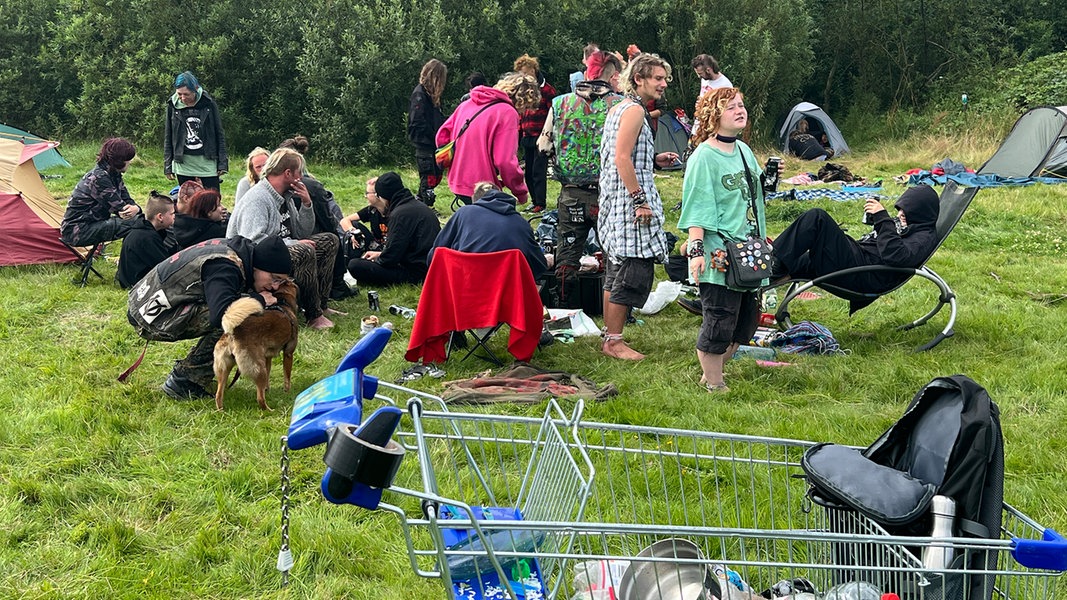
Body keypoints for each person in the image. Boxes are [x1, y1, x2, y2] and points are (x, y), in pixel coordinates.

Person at [678, 87, 770, 392]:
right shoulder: (704, 157)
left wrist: (771, 177)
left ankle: (711, 371)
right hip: (718, 252)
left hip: (747, 251)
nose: (740, 111)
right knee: (719, 319)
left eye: (741, 105)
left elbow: (754, 195)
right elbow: (698, 206)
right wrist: (697, 250)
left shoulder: (743, 150)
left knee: (745, 323)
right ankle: (715, 385)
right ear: (713, 115)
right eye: (731, 107)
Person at [128, 235, 292, 400]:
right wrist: (259, 300)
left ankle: (190, 375)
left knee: (239, 307)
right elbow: (222, 314)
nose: (275, 286)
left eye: (281, 281)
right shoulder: (226, 266)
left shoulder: (238, 251)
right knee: (236, 317)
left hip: (142, 301)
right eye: (274, 278)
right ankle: (186, 380)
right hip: (150, 317)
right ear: (259, 266)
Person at [598, 53, 680, 360]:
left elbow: (622, 155)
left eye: (664, 79)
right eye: (657, 78)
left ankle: (610, 337)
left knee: (616, 270)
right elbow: (621, 158)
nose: (663, 84)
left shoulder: (619, 108)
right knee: (633, 270)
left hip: (615, 198)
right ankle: (615, 343)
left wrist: (652, 160)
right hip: (628, 203)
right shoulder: (633, 111)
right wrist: (640, 200)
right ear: (638, 79)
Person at [227, 147, 337, 329]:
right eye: (299, 172)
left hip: (281, 250)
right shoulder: (258, 198)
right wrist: (293, 244)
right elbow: (252, 241)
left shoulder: (285, 196)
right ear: (288, 173)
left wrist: (307, 204)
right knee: (304, 250)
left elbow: (302, 232)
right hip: (255, 260)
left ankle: (321, 305)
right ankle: (313, 315)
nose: (301, 177)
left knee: (329, 241)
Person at [538, 51, 623, 284]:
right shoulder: (621, 105)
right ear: (614, 75)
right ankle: (617, 311)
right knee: (613, 254)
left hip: (571, 192)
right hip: (608, 194)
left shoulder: (559, 103)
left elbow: (543, 146)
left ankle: (565, 305)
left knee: (567, 251)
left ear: (586, 72)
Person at [770, 185, 941, 300]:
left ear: (921, 212)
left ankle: (770, 264)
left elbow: (897, 256)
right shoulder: (914, 226)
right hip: (859, 262)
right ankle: (763, 275)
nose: (901, 214)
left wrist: (883, 218)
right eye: (901, 209)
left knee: (817, 218)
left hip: (862, 274)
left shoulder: (923, 238)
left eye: (906, 211)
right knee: (794, 261)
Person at [436, 72, 540, 207]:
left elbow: (441, 135)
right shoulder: (507, 112)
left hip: (457, 180)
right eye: (526, 107)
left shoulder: (467, 103)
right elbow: (504, 160)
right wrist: (520, 191)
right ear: (524, 100)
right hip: (482, 187)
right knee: (494, 225)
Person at [429, 182, 548, 280]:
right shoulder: (521, 223)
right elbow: (538, 266)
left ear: (475, 201)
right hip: (505, 296)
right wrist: (548, 260)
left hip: (462, 291)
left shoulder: (464, 212)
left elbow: (435, 254)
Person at [346, 173, 440, 286]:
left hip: (416, 272)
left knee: (355, 265)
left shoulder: (399, 215)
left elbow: (390, 258)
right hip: (430, 264)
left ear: (383, 196)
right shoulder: (417, 206)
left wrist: (377, 260)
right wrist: (379, 254)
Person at [60, 138, 142, 247]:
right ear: (119, 160)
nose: (130, 162)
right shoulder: (99, 178)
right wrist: (135, 209)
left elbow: (128, 201)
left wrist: (136, 208)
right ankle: (132, 258)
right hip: (78, 231)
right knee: (140, 222)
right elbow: (122, 210)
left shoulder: (113, 175)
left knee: (139, 220)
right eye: (128, 159)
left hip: (91, 224)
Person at [164, 71, 228, 191]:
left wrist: (222, 163)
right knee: (188, 202)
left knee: (212, 201)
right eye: (179, 94)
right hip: (183, 163)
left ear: (196, 89)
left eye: (186, 94)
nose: (183, 98)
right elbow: (169, 136)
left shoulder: (209, 104)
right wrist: (168, 166)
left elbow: (219, 133)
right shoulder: (172, 105)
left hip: (207, 161)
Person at [513, 54, 557, 213]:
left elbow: (554, 114)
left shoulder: (547, 90)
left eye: (527, 73)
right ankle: (534, 200)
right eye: (522, 74)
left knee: (539, 171)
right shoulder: (522, 91)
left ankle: (541, 202)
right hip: (527, 135)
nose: (525, 77)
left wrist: (551, 136)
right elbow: (520, 113)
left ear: (534, 70)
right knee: (529, 172)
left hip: (542, 136)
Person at [116, 192, 176, 289]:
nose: (174, 216)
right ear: (160, 217)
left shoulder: (142, 228)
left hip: (128, 279)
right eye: (172, 213)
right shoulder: (147, 237)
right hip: (136, 284)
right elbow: (165, 268)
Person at [408, 59, 447, 208]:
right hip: (425, 143)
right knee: (429, 177)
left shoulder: (431, 96)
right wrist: (434, 135)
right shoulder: (420, 94)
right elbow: (417, 121)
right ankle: (425, 207)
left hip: (432, 142)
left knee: (435, 176)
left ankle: (420, 203)